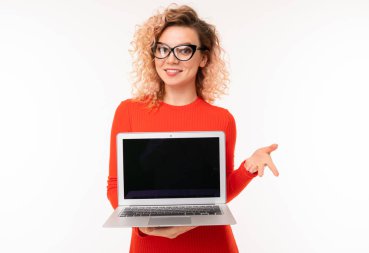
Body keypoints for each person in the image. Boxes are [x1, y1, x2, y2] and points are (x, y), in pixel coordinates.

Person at [107, 4, 280, 253]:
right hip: (151, 245)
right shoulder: (129, 111)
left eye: (184, 50)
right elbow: (115, 186)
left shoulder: (221, 119)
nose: (171, 58)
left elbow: (217, 195)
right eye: (163, 49)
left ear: (204, 58)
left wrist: (249, 167)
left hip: (212, 244)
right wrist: (142, 225)